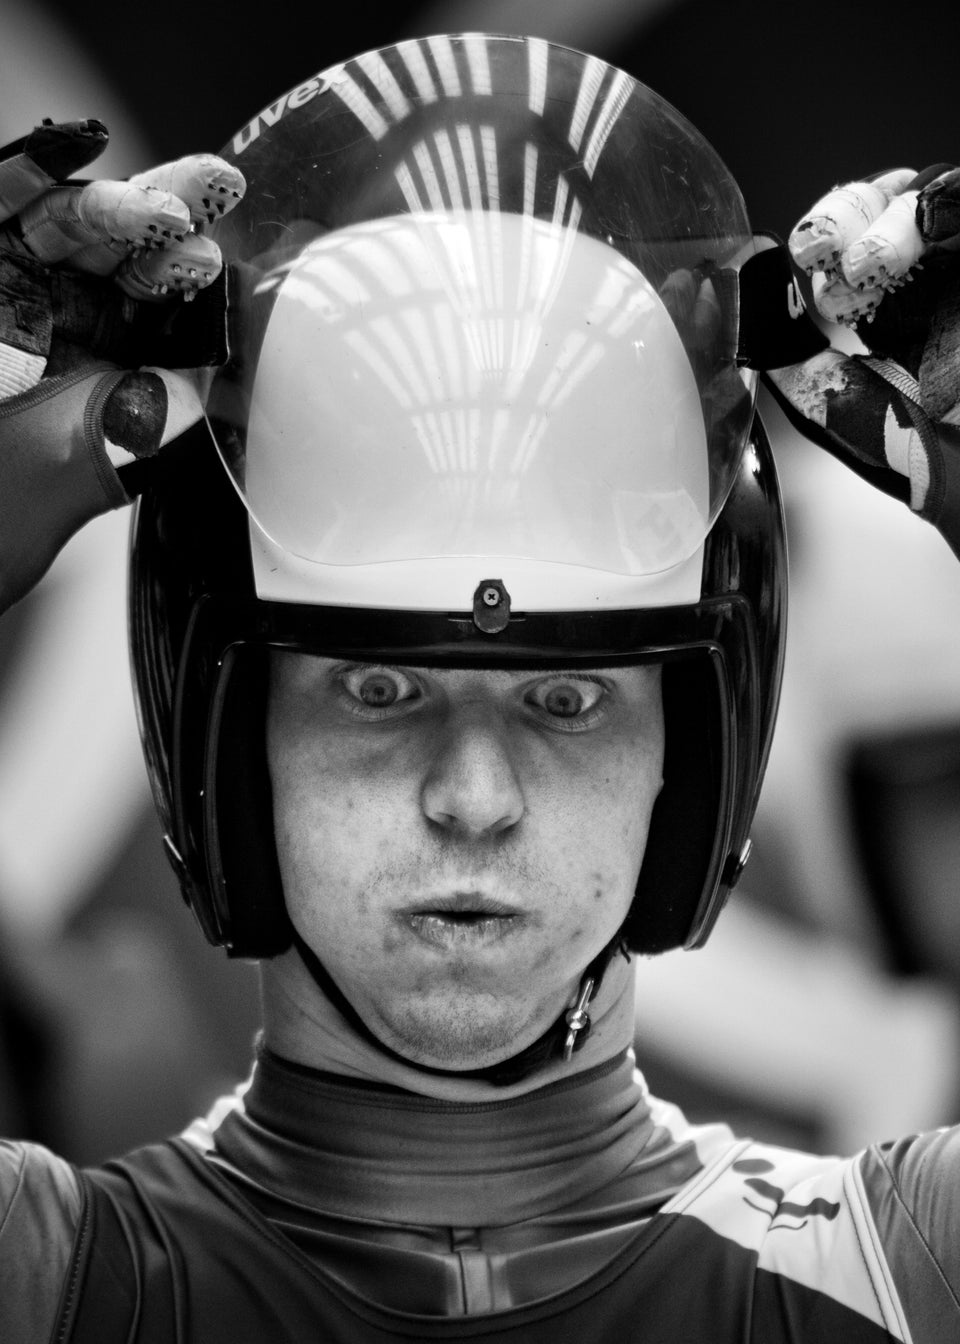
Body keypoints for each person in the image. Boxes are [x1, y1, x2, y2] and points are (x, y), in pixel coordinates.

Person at [0, 32, 958, 1342]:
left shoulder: (915, 1270)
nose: (473, 798)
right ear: (222, 727)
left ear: (693, 746)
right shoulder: (38, 1281)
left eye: (565, 700)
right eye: (379, 689)